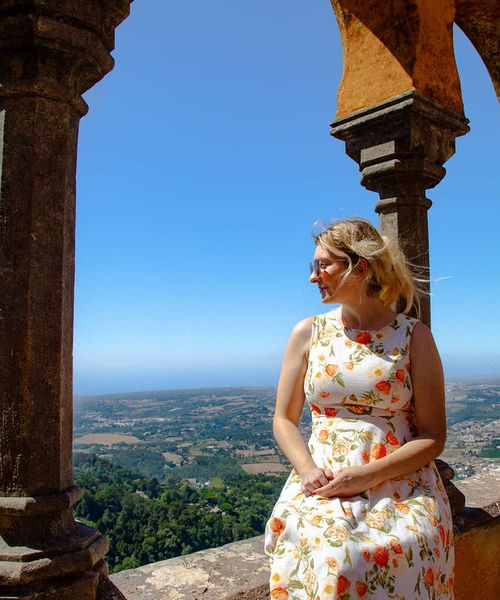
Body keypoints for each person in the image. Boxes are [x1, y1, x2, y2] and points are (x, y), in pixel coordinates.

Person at [264, 218, 454, 599]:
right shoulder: (308, 332)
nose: (313, 277)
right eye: (312, 267)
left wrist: (367, 476)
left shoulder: (414, 336)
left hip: (400, 478)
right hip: (323, 478)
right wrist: (308, 471)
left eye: (323, 265)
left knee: (404, 548)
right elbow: (284, 418)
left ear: (360, 267)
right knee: (333, 556)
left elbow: (433, 437)